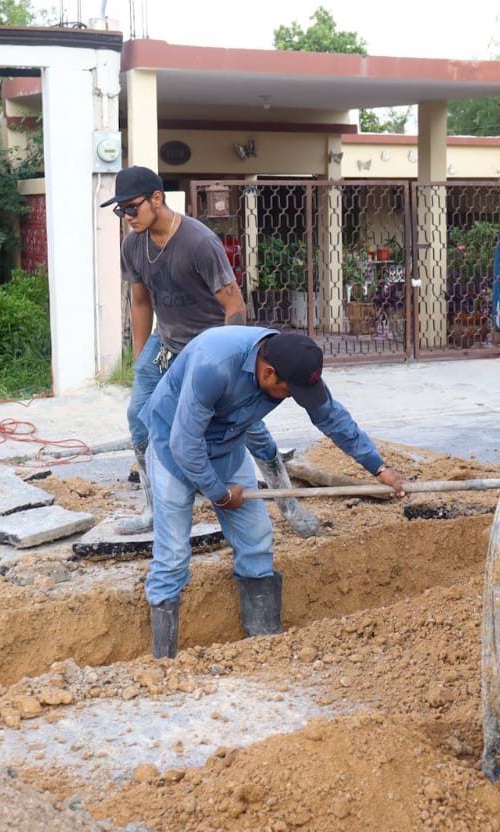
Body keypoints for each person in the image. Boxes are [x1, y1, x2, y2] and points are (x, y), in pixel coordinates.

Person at [140, 326, 406, 658]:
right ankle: (163, 663)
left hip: (226, 448)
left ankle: (265, 650)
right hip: (172, 447)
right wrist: (219, 494)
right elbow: (185, 443)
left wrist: (379, 467)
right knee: (174, 554)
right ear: (267, 372)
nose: (293, 397)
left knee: (256, 540)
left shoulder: (290, 365)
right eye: (288, 391)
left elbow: (332, 418)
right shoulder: (214, 363)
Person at [104, 165, 316, 537]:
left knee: (248, 426)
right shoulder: (133, 244)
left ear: (157, 198)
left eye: (131, 208)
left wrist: (233, 369)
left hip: (210, 348)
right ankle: (152, 511)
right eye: (120, 210)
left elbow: (234, 306)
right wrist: (141, 360)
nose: (127, 217)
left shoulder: (199, 242)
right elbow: (140, 302)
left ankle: (288, 505)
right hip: (165, 344)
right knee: (140, 417)